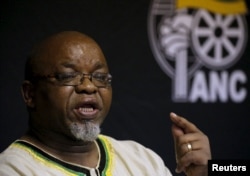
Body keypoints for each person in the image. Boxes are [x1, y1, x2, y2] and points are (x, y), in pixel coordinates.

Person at [0, 31, 211, 176]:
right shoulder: (12, 169)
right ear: (30, 94)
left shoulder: (142, 159)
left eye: (99, 77)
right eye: (68, 75)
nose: (89, 87)